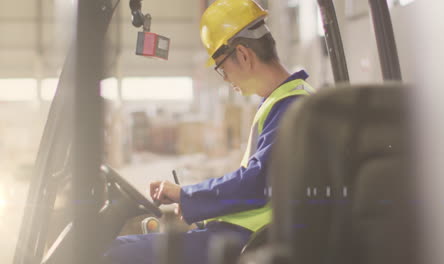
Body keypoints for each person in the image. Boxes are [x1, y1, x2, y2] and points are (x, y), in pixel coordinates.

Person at [104, 0, 314, 263]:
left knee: (115, 252)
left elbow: (256, 184)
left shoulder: (291, 106)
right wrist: (194, 201)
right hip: (247, 234)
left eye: (222, 69)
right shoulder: (286, 101)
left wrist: (187, 196)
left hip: (248, 242)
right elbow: (256, 179)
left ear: (244, 55)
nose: (226, 79)